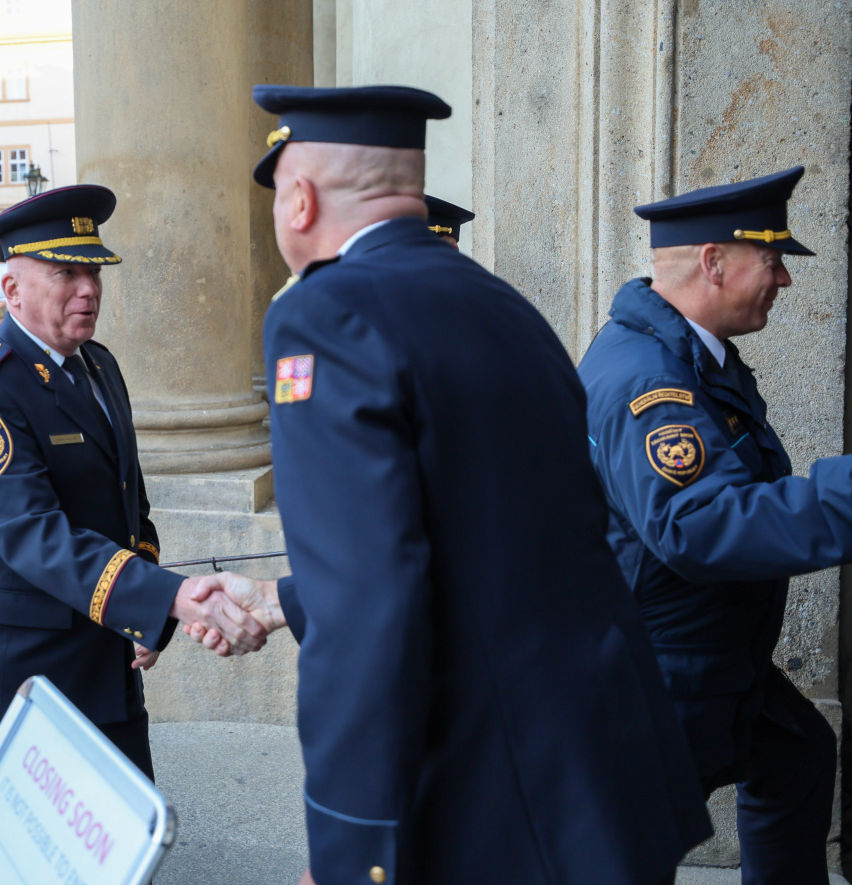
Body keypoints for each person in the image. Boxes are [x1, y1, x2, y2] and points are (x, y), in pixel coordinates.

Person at [185, 85, 713, 885]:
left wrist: (351, 845)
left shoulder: (322, 317)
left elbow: (370, 600)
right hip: (604, 772)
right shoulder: (502, 305)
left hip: (494, 805)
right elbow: (488, 534)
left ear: (297, 201)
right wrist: (281, 600)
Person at [0, 184, 267, 845]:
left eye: (93, 271)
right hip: (16, 673)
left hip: (100, 655)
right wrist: (171, 599)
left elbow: (125, 502)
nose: (87, 289)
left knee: (116, 841)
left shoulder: (98, 367)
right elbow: (34, 536)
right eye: (65, 273)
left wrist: (143, 610)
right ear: (13, 286)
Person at [579, 166, 846, 884]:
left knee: (796, 759)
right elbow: (697, 525)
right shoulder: (647, 378)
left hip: (716, 654)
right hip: (665, 672)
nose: (783, 280)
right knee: (627, 854)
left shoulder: (691, 353)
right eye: (773, 260)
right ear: (712, 261)